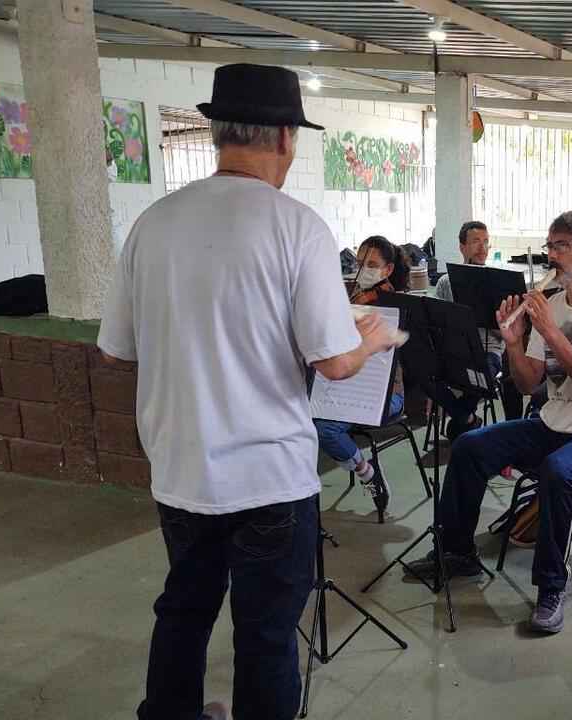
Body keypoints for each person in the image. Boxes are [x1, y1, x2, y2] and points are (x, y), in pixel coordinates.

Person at [97, 64, 396, 720]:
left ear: (216, 133)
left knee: (183, 613)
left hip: (180, 470)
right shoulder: (297, 228)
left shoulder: (153, 222)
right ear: (286, 138)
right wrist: (372, 339)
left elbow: (117, 347)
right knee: (264, 635)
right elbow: (336, 363)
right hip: (269, 479)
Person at [406, 211, 572, 634]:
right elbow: (529, 381)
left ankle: (551, 587)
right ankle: (457, 551)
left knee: (559, 473)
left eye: (561, 246)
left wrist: (551, 334)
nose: (552, 256)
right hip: (552, 424)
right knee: (470, 446)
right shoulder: (550, 303)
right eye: (549, 246)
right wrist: (514, 344)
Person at [315, 235, 408, 513]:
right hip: (343, 389)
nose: (362, 269)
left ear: (388, 270)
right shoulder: (351, 295)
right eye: (359, 263)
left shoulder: (395, 306)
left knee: (325, 428)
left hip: (385, 396)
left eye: (371, 264)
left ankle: (369, 475)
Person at [431, 221, 525, 431]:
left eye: (486, 242)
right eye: (475, 242)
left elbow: (504, 333)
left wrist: (487, 318)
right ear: (462, 247)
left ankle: (461, 419)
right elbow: (437, 322)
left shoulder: (497, 281)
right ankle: (467, 419)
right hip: (455, 351)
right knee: (426, 374)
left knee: (481, 380)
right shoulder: (445, 282)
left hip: (488, 351)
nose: (482, 248)